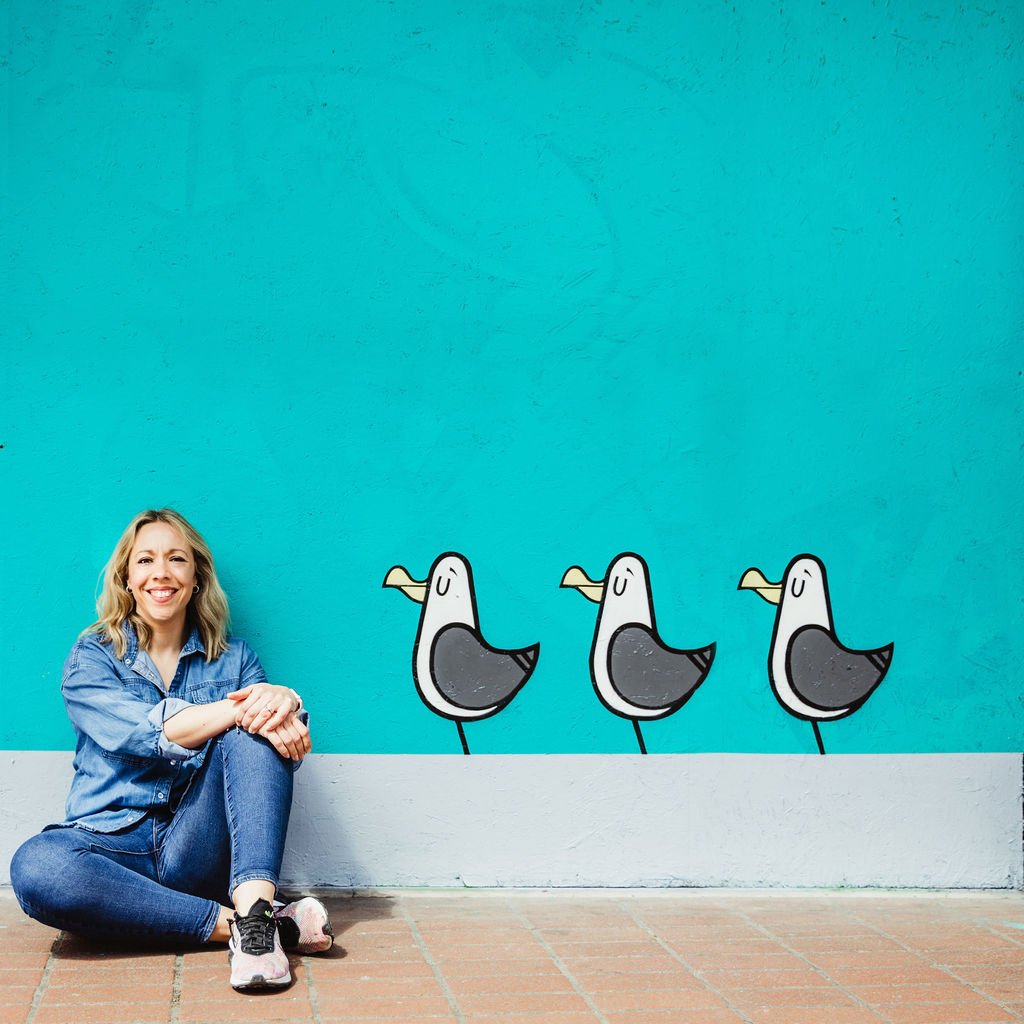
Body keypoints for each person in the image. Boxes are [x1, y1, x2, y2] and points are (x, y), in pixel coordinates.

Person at [10, 508, 333, 991]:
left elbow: (279, 743)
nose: (160, 573)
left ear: (196, 577)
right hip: (113, 850)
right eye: (145, 560)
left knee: (256, 732)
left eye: (176, 559)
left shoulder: (236, 658)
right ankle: (255, 926)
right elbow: (142, 732)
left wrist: (286, 701)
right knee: (37, 866)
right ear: (127, 578)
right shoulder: (92, 657)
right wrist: (247, 707)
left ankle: (254, 911)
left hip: (197, 848)